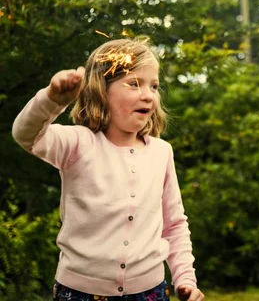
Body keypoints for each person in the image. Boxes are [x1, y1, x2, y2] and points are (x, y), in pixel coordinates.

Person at [12, 38, 204, 301]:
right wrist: (50, 100)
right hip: (79, 293)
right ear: (101, 90)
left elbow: (173, 225)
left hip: (151, 292)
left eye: (154, 86)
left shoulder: (161, 152)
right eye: (134, 83)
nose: (148, 94)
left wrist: (185, 278)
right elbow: (26, 135)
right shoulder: (78, 143)